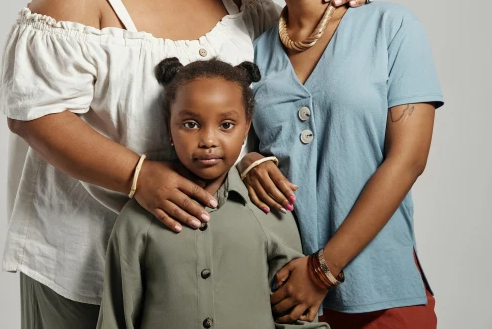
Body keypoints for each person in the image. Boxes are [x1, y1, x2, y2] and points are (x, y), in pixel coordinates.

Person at [0, 0, 372, 327]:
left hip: (192, 271)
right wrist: (137, 177)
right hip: (81, 256)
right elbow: (33, 114)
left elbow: (289, 47)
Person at [204, 0, 444, 328]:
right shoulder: (253, 54)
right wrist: (248, 160)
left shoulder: (392, 27)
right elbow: (233, 144)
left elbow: (409, 160)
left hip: (379, 286)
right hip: (285, 294)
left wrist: (323, 269)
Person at [97, 57, 328, 329]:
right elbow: (116, 318)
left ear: (246, 128)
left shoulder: (269, 212)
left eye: (226, 125)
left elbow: (297, 316)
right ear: (168, 124)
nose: (208, 140)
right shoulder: (137, 220)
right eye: (191, 124)